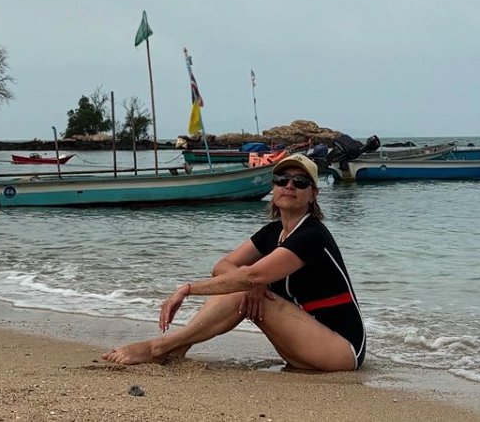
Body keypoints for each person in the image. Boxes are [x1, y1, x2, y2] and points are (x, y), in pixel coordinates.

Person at [103, 154, 366, 371]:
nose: (289, 185)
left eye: (300, 182)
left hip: (341, 350)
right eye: (281, 179)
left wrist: (188, 289)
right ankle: (178, 346)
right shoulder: (273, 232)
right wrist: (253, 283)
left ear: (313, 194)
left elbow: (249, 276)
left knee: (242, 289)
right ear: (273, 187)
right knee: (241, 288)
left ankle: (158, 347)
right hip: (302, 346)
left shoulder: (312, 235)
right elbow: (223, 266)